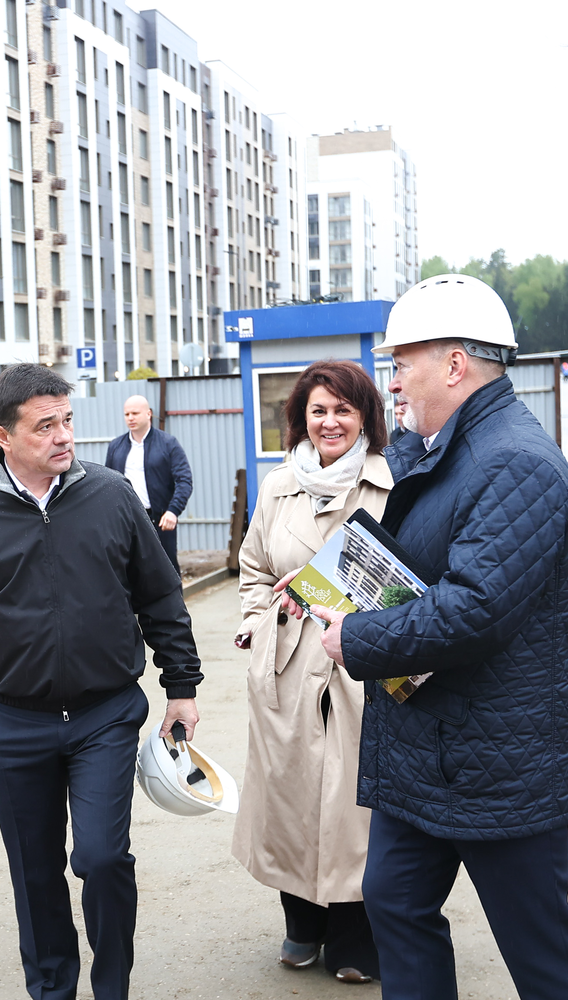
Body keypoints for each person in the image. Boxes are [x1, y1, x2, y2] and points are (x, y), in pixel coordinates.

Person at [309, 274, 568, 1000]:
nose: (392, 383)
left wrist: (359, 639)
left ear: (456, 365)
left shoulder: (516, 463)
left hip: (504, 762)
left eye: (402, 364)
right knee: (396, 905)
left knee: (539, 952)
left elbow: (474, 608)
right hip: (426, 752)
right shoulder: (439, 449)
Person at [0, 364, 203, 1000]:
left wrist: (181, 686)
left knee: (102, 859)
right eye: (44, 426)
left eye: (67, 420)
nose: (63, 436)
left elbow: (160, 595)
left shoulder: (111, 496)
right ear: (3, 436)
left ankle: (112, 987)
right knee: (36, 872)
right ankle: (52, 990)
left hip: (105, 716)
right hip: (10, 724)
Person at [233, 360, 391, 985]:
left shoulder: (391, 484)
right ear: (301, 417)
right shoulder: (278, 486)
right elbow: (253, 567)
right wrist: (260, 625)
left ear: (365, 418)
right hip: (287, 667)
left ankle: (355, 935)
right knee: (289, 795)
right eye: (318, 410)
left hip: (360, 666)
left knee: (354, 807)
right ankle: (301, 924)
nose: (330, 422)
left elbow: (406, 579)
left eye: (343, 410)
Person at [104, 394, 193, 574]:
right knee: (129, 571)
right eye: (127, 414)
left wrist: (173, 511)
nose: (130, 418)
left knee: (166, 571)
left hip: (159, 520)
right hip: (127, 521)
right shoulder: (116, 446)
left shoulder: (168, 444)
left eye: (135, 413)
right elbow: (108, 484)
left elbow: (184, 480)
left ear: (149, 413)